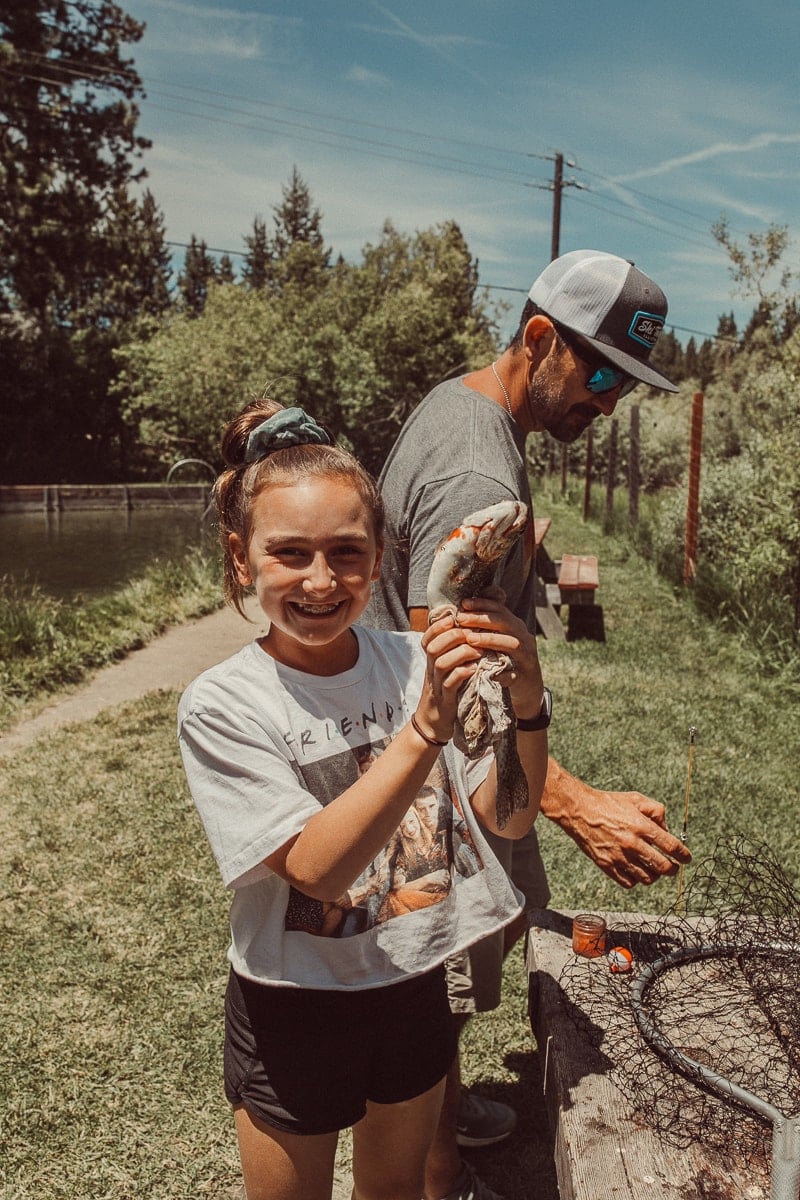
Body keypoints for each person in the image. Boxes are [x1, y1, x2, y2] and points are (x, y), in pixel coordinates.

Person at [366, 249, 694, 1200]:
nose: (610, 404)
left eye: (626, 384)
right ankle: (439, 1168)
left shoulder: (466, 406)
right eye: (600, 376)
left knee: (463, 963)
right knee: (441, 983)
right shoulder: (480, 467)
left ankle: (443, 1108)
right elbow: (452, 674)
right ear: (540, 337)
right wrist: (576, 802)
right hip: (441, 783)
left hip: (441, 767)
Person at [177, 399, 551, 1200]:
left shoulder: (414, 658)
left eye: (347, 553)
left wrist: (527, 701)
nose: (321, 580)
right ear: (242, 560)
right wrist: (420, 732)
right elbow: (315, 868)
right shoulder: (224, 703)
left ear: (381, 558)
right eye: (290, 555)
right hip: (292, 1006)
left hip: (411, 983)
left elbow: (508, 820)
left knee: (394, 1191)